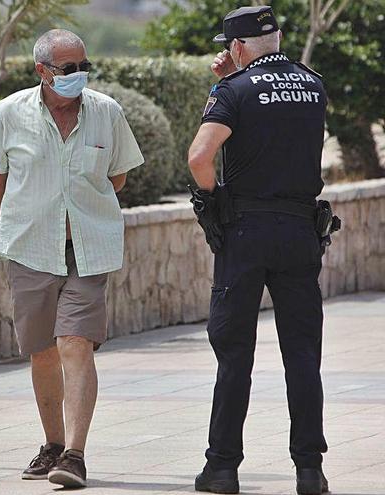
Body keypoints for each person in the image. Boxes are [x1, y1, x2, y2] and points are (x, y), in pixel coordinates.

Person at [0, 29, 144, 489]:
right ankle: (52, 443)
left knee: (75, 343)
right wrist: (26, 216)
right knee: (42, 351)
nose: (79, 75)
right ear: (42, 71)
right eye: (69, 69)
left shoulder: (107, 112)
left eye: (84, 66)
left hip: (89, 248)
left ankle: (74, 454)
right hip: (30, 248)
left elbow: (119, 176)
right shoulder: (9, 112)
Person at [187, 6, 332, 495]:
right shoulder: (313, 84)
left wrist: (212, 199)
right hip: (299, 231)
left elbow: (200, 157)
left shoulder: (232, 90)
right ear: (280, 36)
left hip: (245, 232)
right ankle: (310, 470)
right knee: (303, 356)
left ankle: (222, 468)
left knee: (234, 355)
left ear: (236, 47)